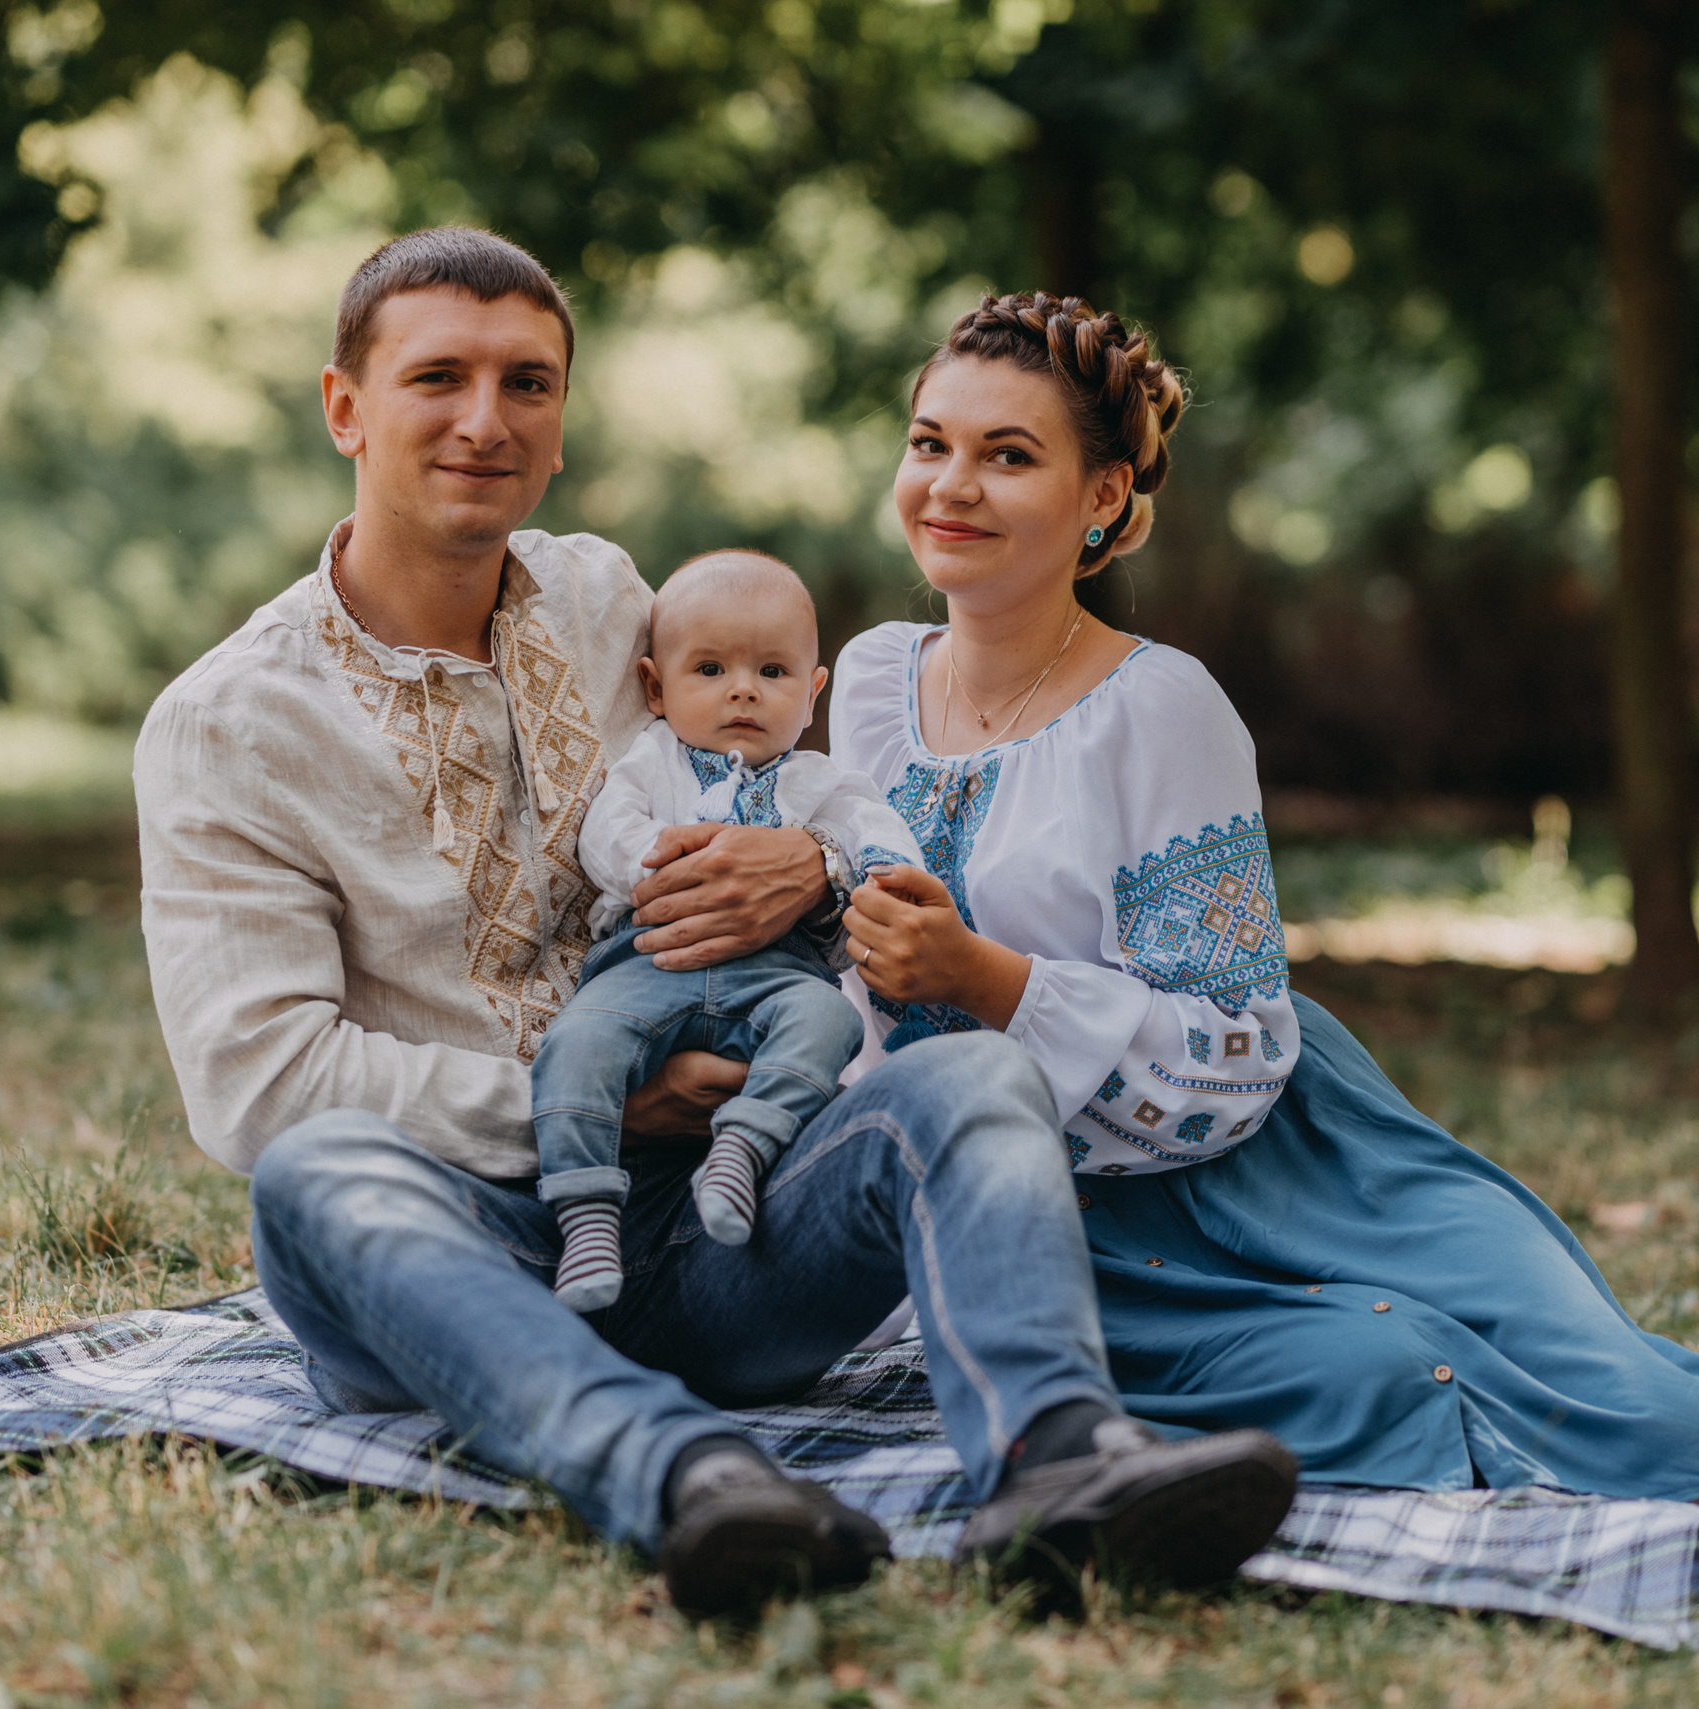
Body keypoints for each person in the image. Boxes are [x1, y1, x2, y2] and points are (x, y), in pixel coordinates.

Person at [132, 230, 1297, 1618]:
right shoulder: (229, 723)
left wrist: (813, 864)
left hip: (733, 1233)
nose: (485, 420)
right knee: (313, 1178)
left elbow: (764, 772)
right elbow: (257, 1081)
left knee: (974, 1070)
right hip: (468, 1254)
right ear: (345, 408)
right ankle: (692, 1483)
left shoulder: (606, 600)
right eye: (437, 377)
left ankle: (1061, 1461)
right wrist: (605, 1112)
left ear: (562, 424)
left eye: (529, 383)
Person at [830, 292, 1699, 1512]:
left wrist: (984, 977)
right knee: (1383, 1380)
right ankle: (1656, 1381)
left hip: (1276, 1161)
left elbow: (1234, 1049)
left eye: (1008, 455)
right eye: (929, 443)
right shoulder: (863, 682)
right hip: (1056, 1229)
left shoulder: (1161, 710)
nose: (950, 484)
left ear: (1104, 495)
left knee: (1684, 1457)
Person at [532, 549, 923, 1311]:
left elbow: (885, 846)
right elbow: (606, 837)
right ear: (655, 685)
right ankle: (584, 1213)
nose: (743, 688)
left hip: (777, 975)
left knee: (831, 1020)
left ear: (813, 694)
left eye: (772, 672)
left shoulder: (823, 782)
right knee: (575, 1042)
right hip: (650, 959)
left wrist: (859, 871)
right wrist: (669, 871)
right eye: (709, 669)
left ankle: (744, 1144)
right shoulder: (652, 761)